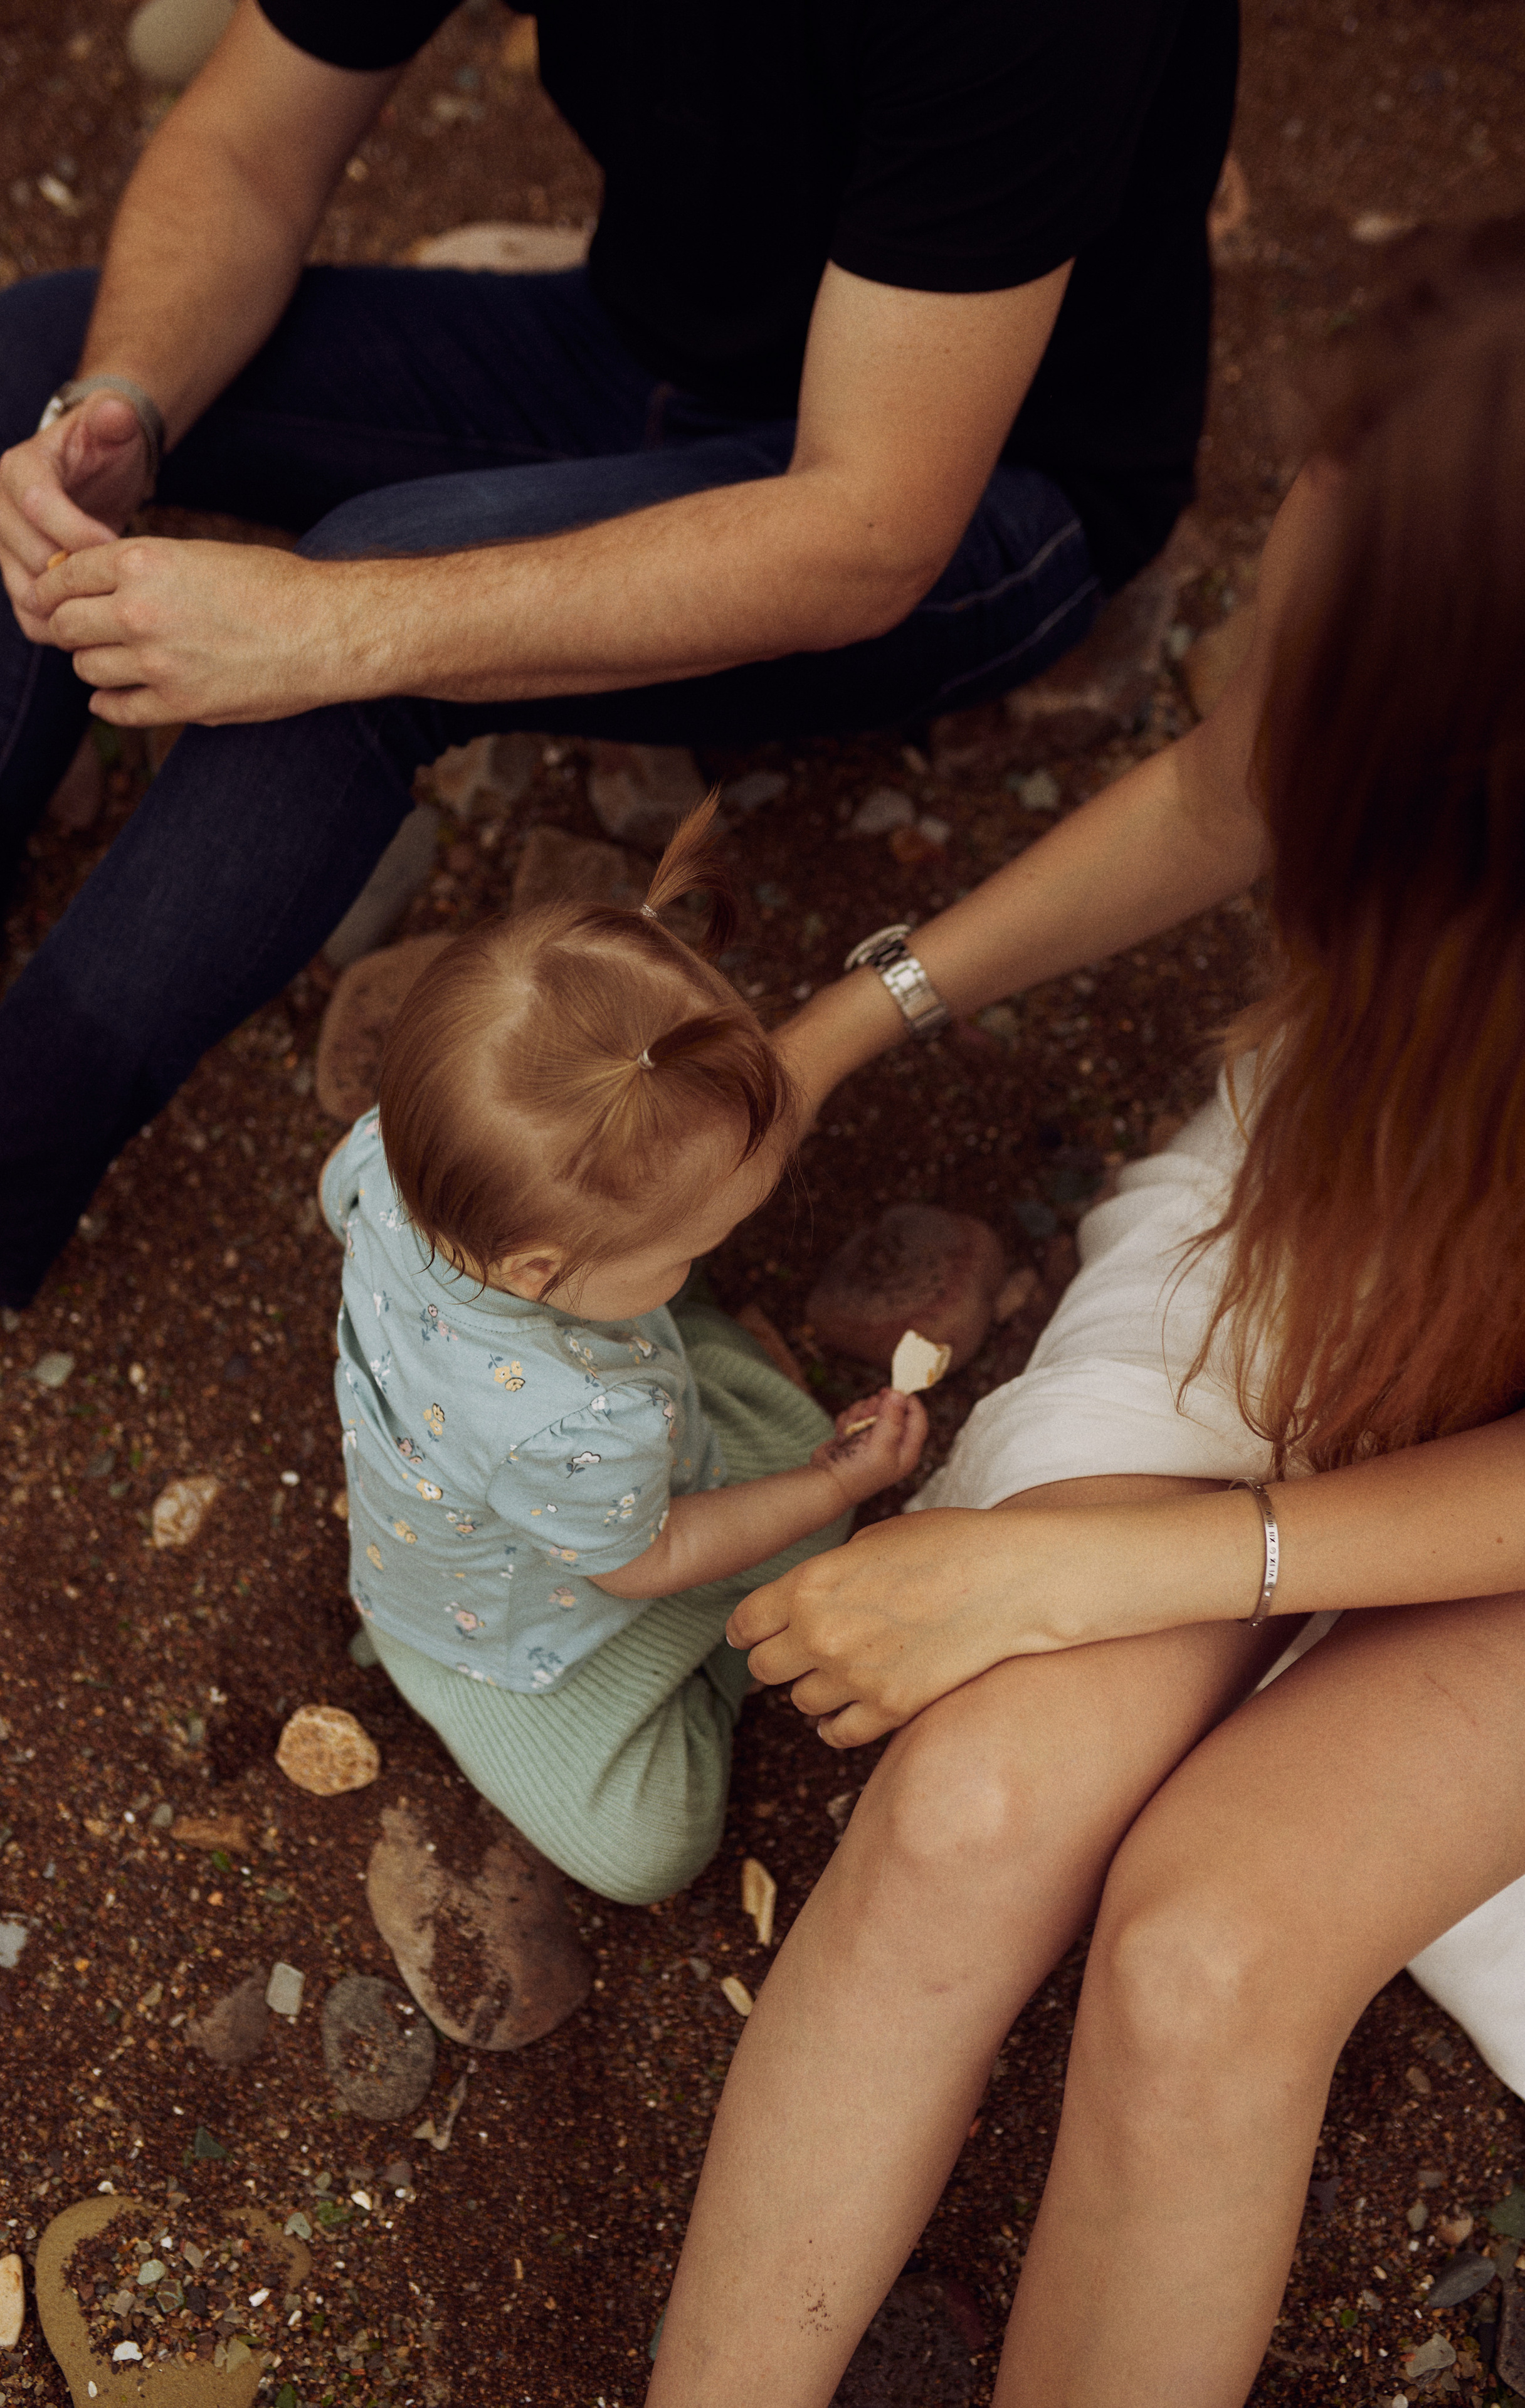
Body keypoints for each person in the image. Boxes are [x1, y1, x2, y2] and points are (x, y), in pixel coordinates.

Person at [645, 219, 1525, 2405]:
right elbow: (1239, 781)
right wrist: (836, 1038)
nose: (1244, 630)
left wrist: (1104, 1564)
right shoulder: (1413, 628)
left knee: (1217, 1954)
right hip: (1388, 1193)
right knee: (968, 1815)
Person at [0, 0, 1237, 1331]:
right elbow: (251, 144)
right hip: (640, 348)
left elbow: (870, 530)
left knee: (360, 613)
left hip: (978, 481)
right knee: (45, 359)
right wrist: (126, 407)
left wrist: (335, 626)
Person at [319, 801, 924, 1903]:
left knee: (782, 1497)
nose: (709, 1256)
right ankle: (675, 1675)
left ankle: (721, 1575)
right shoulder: (581, 1424)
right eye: (696, 1248)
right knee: (651, 1851)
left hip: (539, 1478)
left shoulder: (391, 1158)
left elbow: (335, 1204)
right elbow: (642, 1560)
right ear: (544, 1273)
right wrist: (834, 1476)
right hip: (516, 1628)